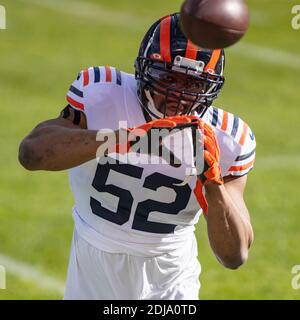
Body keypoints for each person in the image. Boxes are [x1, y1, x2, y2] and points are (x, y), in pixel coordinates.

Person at [18, 13, 255, 300]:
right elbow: (31, 154)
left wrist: (212, 182)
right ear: (145, 70)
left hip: (169, 278)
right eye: (169, 77)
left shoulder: (227, 137)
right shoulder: (104, 93)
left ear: (209, 87)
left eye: (193, 85)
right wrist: (124, 138)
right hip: (92, 268)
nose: (178, 95)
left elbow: (234, 255)